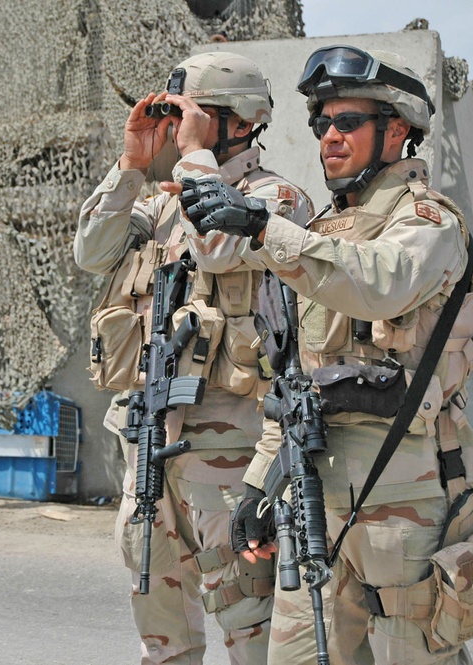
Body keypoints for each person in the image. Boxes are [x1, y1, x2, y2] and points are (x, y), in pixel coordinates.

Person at [179, 46, 473, 664]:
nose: (330, 136)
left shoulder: (429, 222)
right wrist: (256, 488)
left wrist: (262, 226)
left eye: (348, 122)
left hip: (407, 499)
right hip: (316, 500)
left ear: (397, 130)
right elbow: (302, 382)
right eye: (321, 124)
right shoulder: (323, 234)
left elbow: (377, 281)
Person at [74, 51, 312, 664]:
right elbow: (91, 251)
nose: (180, 126)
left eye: (194, 115)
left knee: (245, 614)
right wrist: (131, 162)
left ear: (239, 120)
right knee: (159, 617)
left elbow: (215, 248)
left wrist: (193, 156)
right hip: (149, 435)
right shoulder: (158, 206)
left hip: (229, 451)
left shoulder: (275, 201)